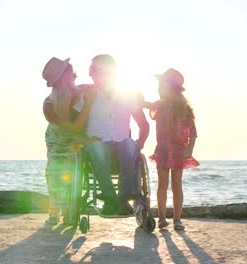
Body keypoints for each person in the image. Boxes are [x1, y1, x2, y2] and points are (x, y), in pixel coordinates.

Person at [76, 54, 150, 215]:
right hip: (95, 148)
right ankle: (109, 200)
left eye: (98, 70)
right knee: (96, 147)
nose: (93, 72)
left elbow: (143, 124)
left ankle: (124, 199)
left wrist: (141, 142)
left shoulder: (127, 96)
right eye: (93, 69)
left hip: (122, 148)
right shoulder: (84, 96)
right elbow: (77, 125)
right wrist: (85, 140)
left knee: (130, 144)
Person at [41, 57, 98, 225]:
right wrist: (88, 105)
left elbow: (103, 88)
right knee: (55, 173)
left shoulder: (81, 91)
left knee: (73, 173)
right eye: (72, 73)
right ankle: (55, 212)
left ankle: (69, 210)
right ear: (65, 78)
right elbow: (71, 129)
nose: (76, 76)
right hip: (58, 140)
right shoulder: (49, 104)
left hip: (77, 140)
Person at [145, 68, 198, 230]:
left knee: (176, 184)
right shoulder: (160, 106)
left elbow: (193, 132)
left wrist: (189, 149)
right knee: (162, 184)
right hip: (162, 149)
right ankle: (161, 218)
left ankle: (177, 219)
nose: (159, 89)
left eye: (162, 85)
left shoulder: (185, 109)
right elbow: (148, 106)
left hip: (178, 151)